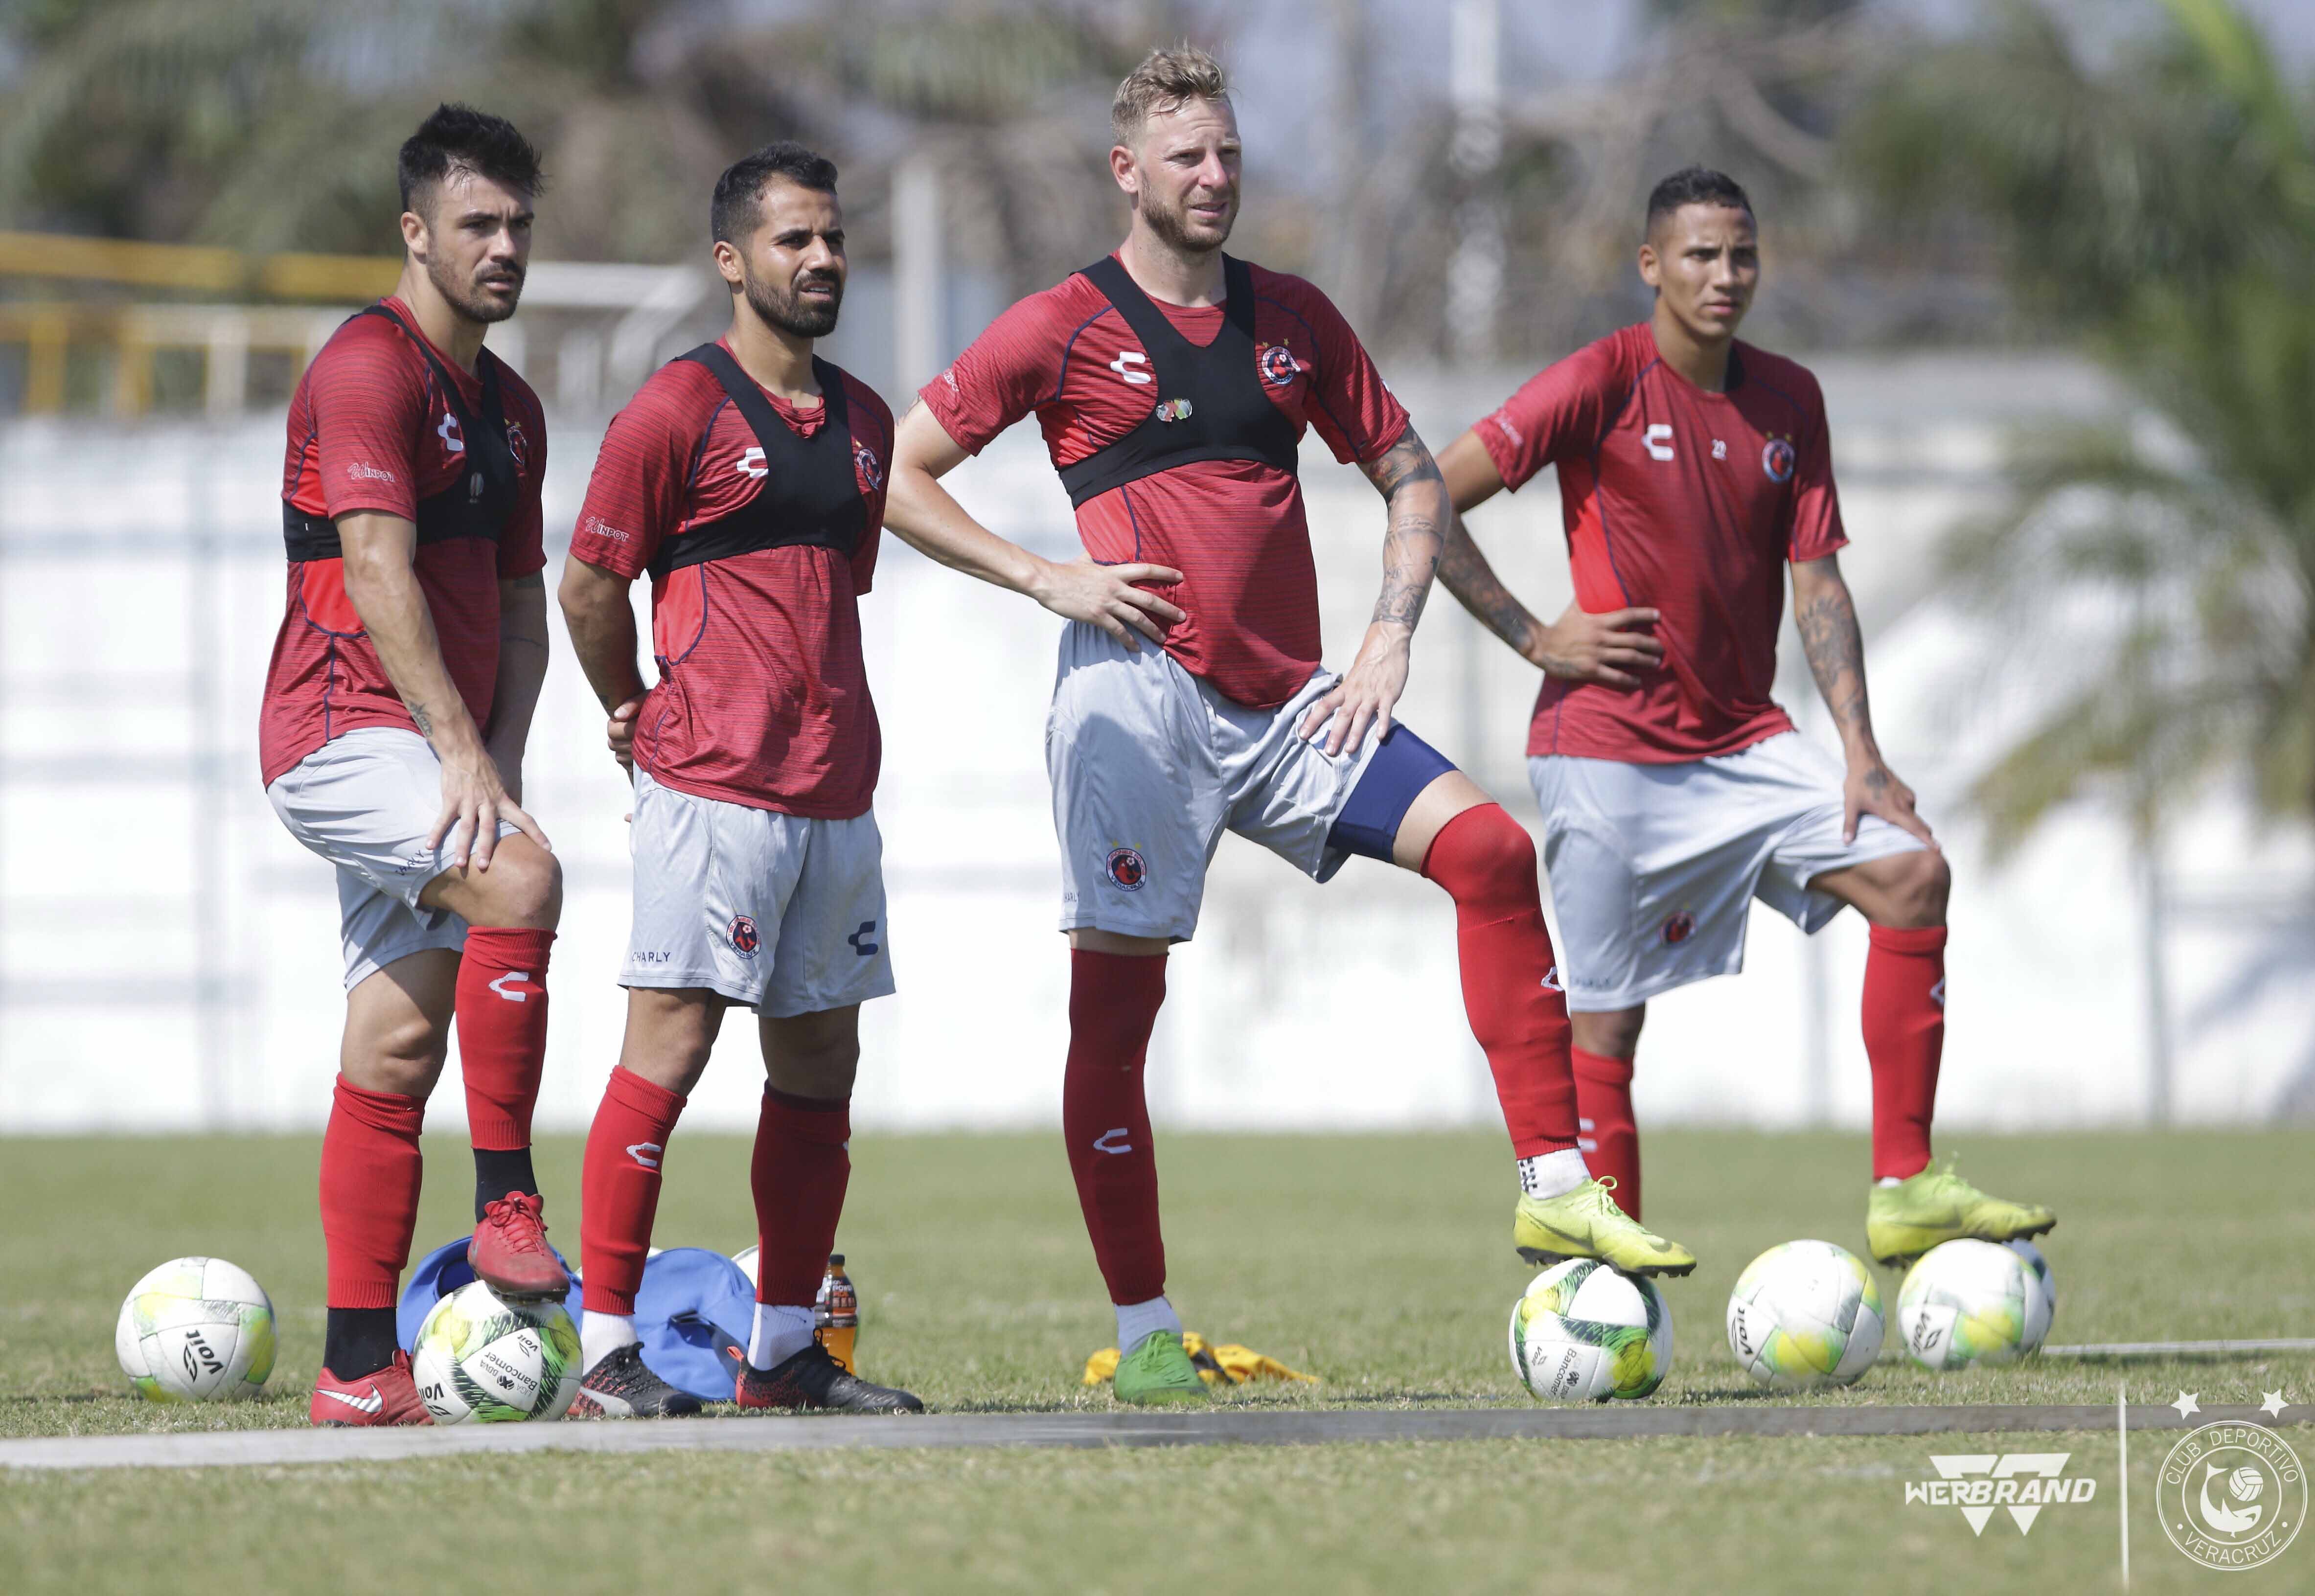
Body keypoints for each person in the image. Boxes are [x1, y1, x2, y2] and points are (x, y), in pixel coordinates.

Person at [883, 45, 1697, 1408]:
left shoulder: (1295, 320)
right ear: (1126, 171)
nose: (1215, 177)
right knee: (1117, 1012)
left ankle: (1553, 1186)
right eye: (1187, 157)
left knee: (1493, 851)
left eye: (1230, 153)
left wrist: (1388, 631)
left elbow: (1407, 470)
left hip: (1288, 702)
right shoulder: (1058, 325)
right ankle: (1146, 1324)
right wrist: (1047, 574)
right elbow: (898, 472)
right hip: (1132, 703)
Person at [1432, 166, 2056, 1265]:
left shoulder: (1787, 399)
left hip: (1744, 740)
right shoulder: (1600, 378)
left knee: (1912, 871)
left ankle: (1904, 1185)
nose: (1725, 276)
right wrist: (1536, 636)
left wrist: (1861, 752)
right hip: (1605, 749)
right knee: (1606, 1024)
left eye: (1742, 255)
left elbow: (1815, 584)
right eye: (1700, 255)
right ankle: (1597, 1276)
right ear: (1650, 267)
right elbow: (1426, 492)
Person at [559, 142, 922, 1418]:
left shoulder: (870, 424)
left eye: (832, 238)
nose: (821, 260)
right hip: (709, 785)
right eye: (792, 241)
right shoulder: (675, 410)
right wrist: (632, 704)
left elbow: (827, 600)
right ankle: (604, 1349)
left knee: (821, 1057)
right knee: (672, 1042)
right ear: (731, 260)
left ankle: (782, 1353)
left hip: (835, 793)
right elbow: (590, 583)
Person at [264, 105, 565, 1427]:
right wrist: (459, 754)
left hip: (434, 744)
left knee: (395, 1044)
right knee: (523, 884)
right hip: (337, 728)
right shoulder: (364, 369)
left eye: (517, 225)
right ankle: (508, 1204)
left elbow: (520, 607)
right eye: (476, 224)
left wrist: (492, 761)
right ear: (414, 233)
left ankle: (354, 1368)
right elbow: (377, 565)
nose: (502, 246)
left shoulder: (512, 407)